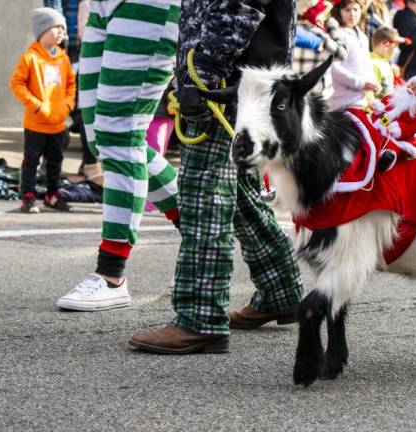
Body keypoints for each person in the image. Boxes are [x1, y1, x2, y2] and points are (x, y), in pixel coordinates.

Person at [129, 0, 305, 354]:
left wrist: (203, 73)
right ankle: (281, 290)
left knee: (204, 195)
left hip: (228, 83)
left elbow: (239, 6)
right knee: (238, 193)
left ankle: (199, 318)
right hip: (251, 82)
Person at [55, 0, 180, 311]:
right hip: (100, 5)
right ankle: (201, 235)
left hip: (149, 4)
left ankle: (111, 274)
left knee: (121, 134)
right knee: (100, 137)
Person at [10, 7, 75, 214]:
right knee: (31, 161)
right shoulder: (30, 57)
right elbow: (17, 84)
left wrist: (67, 105)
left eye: (62, 28)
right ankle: (28, 196)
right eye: (55, 27)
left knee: (56, 161)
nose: (59, 32)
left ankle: (52, 195)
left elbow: (71, 85)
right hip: (36, 123)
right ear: (41, 30)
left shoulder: (63, 58)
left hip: (58, 122)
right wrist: (36, 105)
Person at [329, 0, 380, 110]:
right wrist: (360, 83)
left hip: (361, 101)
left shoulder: (363, 36)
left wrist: (374, 82)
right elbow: (333, 68)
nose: (352, 14)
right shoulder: (337, 34)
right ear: (339, 11)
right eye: (347, 10)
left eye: (355, 9)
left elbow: (367, 64)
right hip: (341, 101)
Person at [294, 0, 348, 100]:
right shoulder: (317, 34)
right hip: (317, 98)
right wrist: (333, 28)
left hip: (295, 95)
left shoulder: (291, 32)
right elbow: (342, 54)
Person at [370, 26, 406, 99]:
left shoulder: (384, 63)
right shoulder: (373, 64)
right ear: (386, 44)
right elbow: (369, 96)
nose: (397, 50)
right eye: (395, 46)